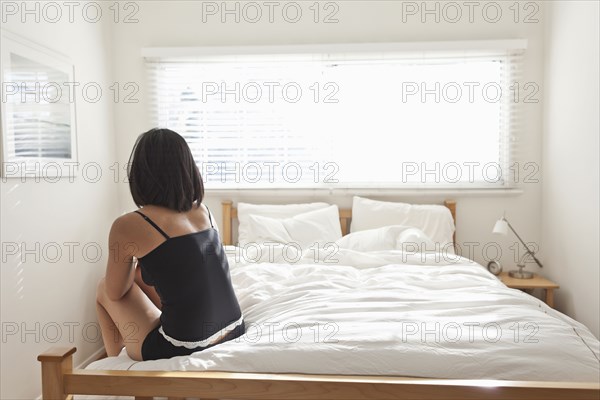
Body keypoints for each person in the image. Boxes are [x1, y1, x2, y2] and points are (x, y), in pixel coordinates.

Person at [96, 128, 245, 361]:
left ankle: (116, 368)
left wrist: (133, 256)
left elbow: (115, 293)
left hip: (184, 346)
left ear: (141, 173)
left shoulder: (129, 224)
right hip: (233, 328)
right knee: (138, 275)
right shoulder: (203, 210)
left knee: (103, 288)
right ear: (187, 169)